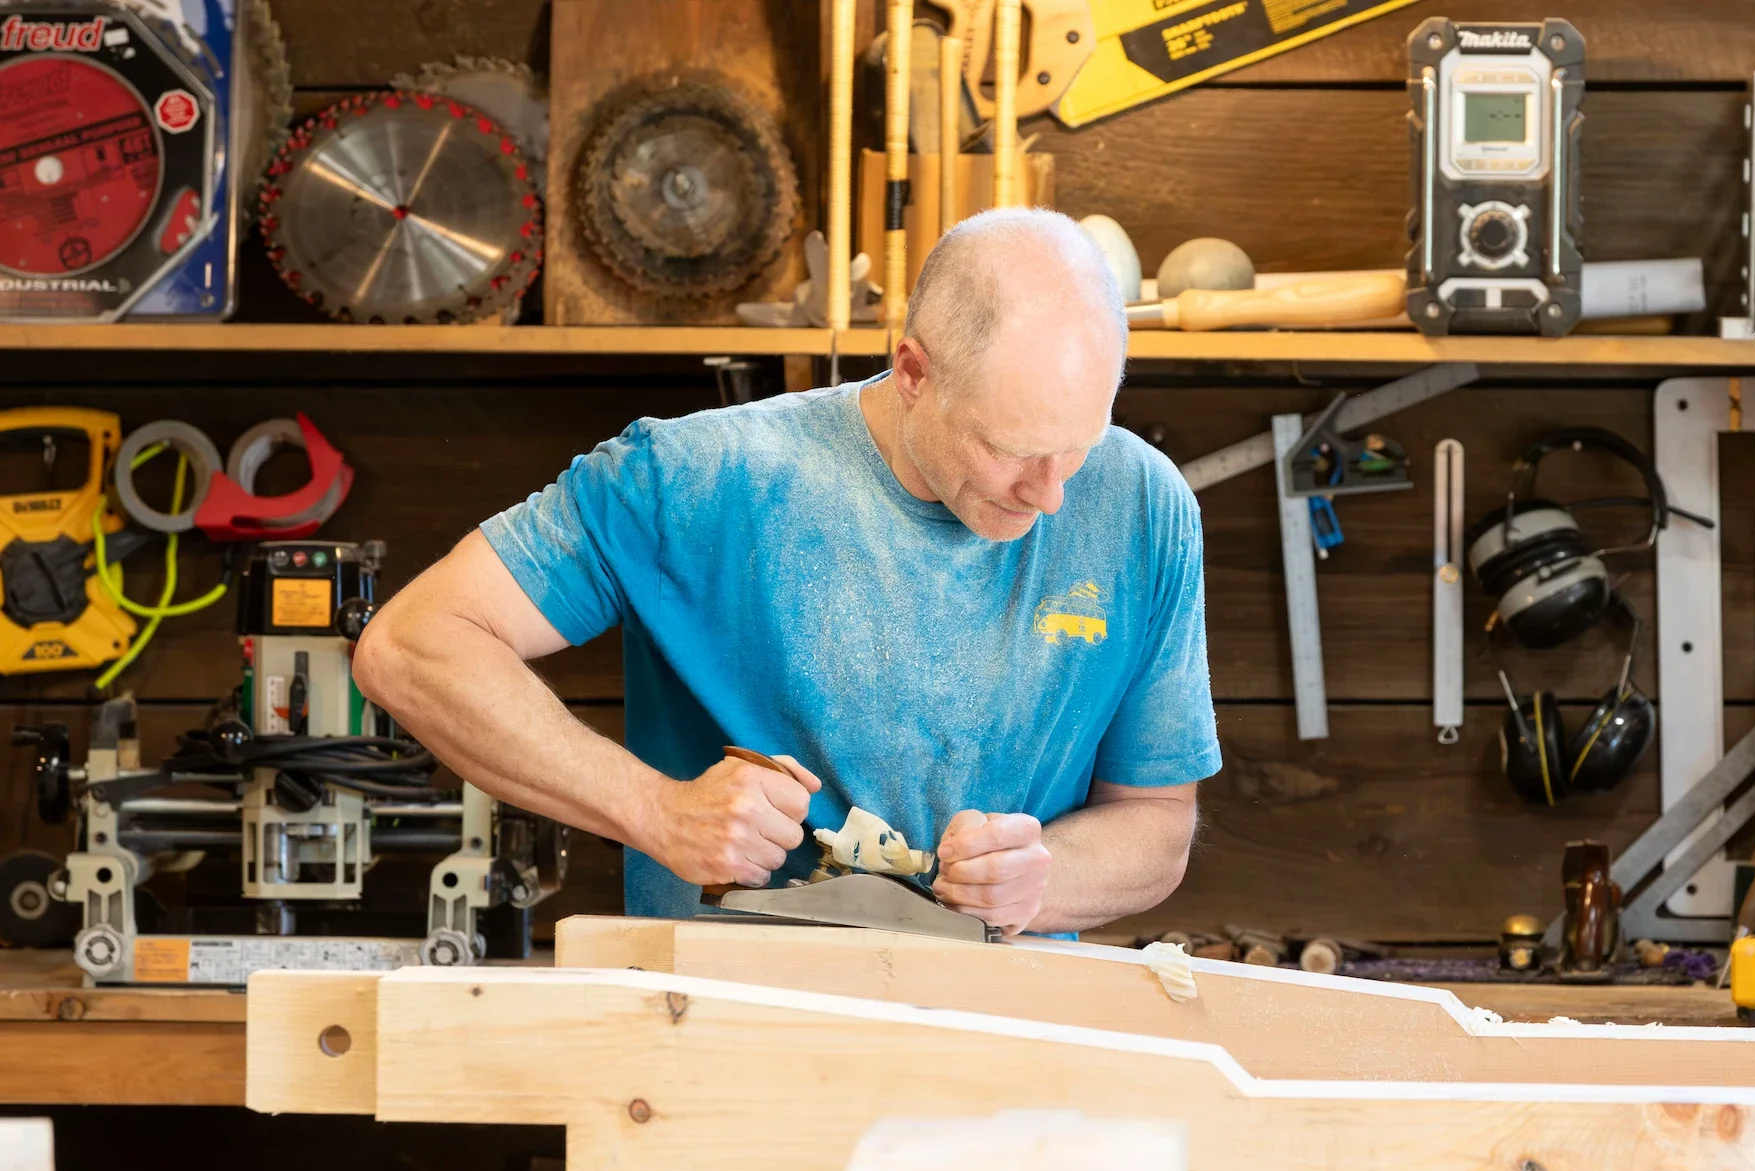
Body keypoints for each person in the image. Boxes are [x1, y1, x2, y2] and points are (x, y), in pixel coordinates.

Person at [353, 208, 1220, 936]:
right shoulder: (697, 478)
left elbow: (1156, 821)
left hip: (1008, 1053)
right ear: (914, 371)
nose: (1054, 496)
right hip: (724, 1033)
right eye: (1012, 451)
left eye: (1082, 446)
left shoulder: (1145, 509)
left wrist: (1045, 878)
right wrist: (656, 809)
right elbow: (412, 644)